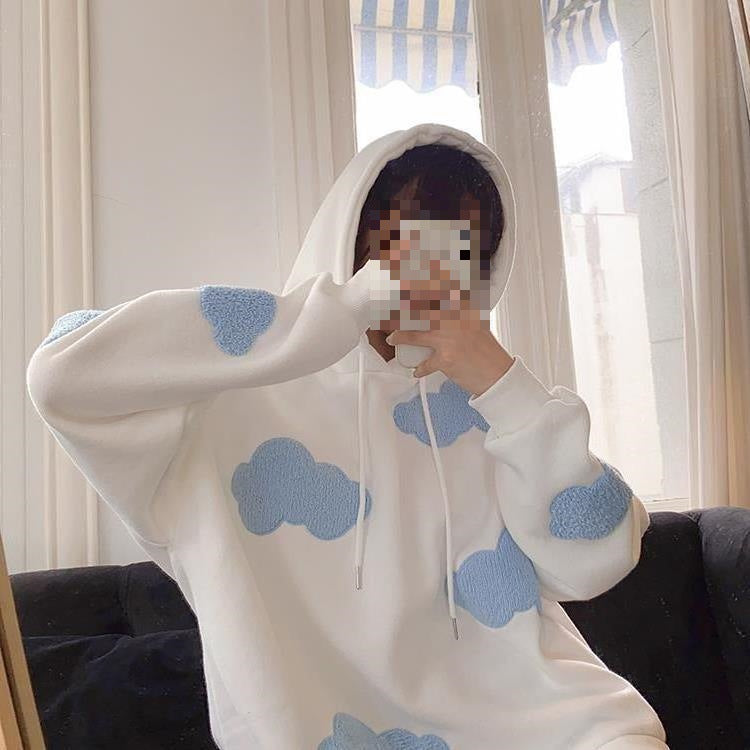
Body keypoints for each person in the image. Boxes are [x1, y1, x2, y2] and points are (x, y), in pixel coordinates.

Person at [26, 123, 669, 749]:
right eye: (412, 240)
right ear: (355, 239)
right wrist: (336, 312)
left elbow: (598, 560)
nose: (435, 273)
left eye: (465, 252)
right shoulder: (223, 400)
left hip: (557, 724)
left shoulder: (492, 405)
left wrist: (503, 383)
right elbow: (60, 375)